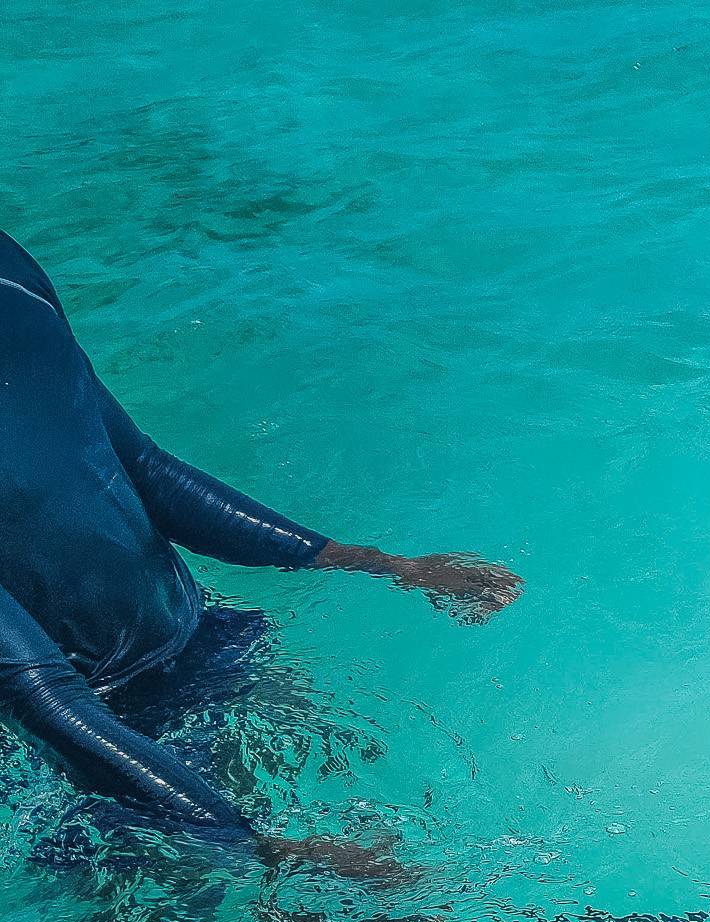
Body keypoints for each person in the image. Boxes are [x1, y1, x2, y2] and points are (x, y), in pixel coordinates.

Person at [0, 228, 520, 873]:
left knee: (417, 828)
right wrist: (267, 850)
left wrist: (379, 564)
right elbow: (38, 695)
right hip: (86, 749)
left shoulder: (11, 278)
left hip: (198, 642)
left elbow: (138, 466)